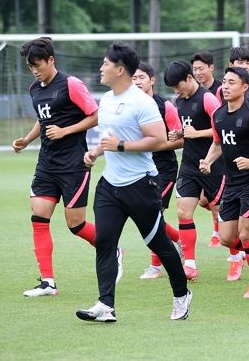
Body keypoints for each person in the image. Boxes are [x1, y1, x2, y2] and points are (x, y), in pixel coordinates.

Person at [77, 41, 190, 322]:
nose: (101, 68)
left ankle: (181, 294)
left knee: (159, 244)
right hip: (109, 186)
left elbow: (160, 140)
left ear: (119, 69)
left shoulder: (142, 102)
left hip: (141, 185)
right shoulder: (105, 100)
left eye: (105, 64)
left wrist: (121, 146)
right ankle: (106, 305)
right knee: (104, 241)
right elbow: (109, 139)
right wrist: (96, 151)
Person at [13, 37, 105, 297]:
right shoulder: (35, 89)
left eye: (38, 64)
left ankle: (110, 247)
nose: (34, 69)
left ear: (51, 60)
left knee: (75, 225)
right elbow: (42, 121)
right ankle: (48, 282)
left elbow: (96, 116)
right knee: (39, 217)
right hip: (47, 163)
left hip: (73, 163)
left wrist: (66, 130)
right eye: (30, 66)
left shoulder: (71, 84)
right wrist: (26, 140)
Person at [199, 67, 249, 298]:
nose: (225, 86)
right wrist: (208, 160)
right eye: (224, 82)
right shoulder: (218, 115)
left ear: (245, 87)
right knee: (226, 238)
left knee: (245, 236)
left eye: (232, 83)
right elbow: (217, 144)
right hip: (231, 182)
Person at [163, 60, 224, 281]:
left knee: (223, 218)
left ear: (190, 78)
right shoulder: (180, 100)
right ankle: (189, 264)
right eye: (173, 89)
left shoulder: (207, 98)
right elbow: (186, 129)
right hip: (189, 165)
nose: (176, 91)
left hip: (213, 165)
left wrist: (196, 133)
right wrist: (178, 134)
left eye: (178, 86)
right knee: (183, 212)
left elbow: (222, 128)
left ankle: (245, 255)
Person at [132, 62, 183, 279]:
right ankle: (181, 241)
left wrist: (155, 144)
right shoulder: (129, 106)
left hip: (163, 168)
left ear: (152, 80)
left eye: (141, 77)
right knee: (146, 215)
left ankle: (156, 266)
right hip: (139, 169)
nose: (137, 82)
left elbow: (180, 141)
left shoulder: (165, 107)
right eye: (133, 78)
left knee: (153, 214)